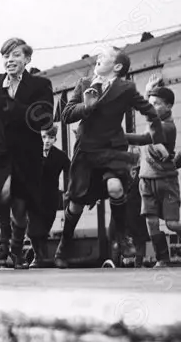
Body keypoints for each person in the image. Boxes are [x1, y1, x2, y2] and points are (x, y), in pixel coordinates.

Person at [57, 44, 164, 267]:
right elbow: (66, 114)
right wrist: (86, 107)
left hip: (112, 149)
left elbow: (149, 111)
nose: (98, 57)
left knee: (115, 187)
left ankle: (122, 237)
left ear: (116, 66)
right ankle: (64, 245)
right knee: (76, 204)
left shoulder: (126, 89)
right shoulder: (85, 84)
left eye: (104, 56)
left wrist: (159, 140)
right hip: (86, 152)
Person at [0, 37, 56, 268]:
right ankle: (4, 232)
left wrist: (13, 103)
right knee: (1, 193)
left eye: (16, 55)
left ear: (27, 59)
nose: (10, 60)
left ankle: (17, 247)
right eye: (6, 56)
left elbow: (44, 116)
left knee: (20, 208)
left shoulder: (40, 86)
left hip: (26, 151)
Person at [124, 74, 178, 268]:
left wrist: (117, 136)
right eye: (151, 103)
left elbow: (143, 138)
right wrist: (148, 93)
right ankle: (162, 258)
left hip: (166, 180)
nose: (152, 106)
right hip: (146, 179)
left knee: (172, 224)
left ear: (169, 106)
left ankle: (163, 257)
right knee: (151, 222)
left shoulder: (167, 127)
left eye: (157, 104)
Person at [26, 125, 71, 268]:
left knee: (44, 227)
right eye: (44, 137)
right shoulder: (32, 153)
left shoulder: (60, 156)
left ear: (55, 139)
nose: (46, 141)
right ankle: (37, 256)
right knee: (33, 228)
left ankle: (38, 253)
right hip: (33, 196)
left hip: (50, 197)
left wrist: (71, 190)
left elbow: (71, 171)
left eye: (50, 138)